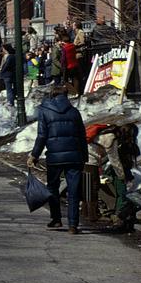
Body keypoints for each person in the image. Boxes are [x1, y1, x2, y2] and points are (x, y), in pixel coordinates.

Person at [27, 85, 88, 234]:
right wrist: (84, 156)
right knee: (73, 191)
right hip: (74, 157)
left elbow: (42, 136)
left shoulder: (44, 111)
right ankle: (73, 225)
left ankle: (56, 219)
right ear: (66, 96)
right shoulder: (74, 112)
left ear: (51, 96)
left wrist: (34, 155)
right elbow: (82, 136)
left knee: (53, 188)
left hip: (54, 157)